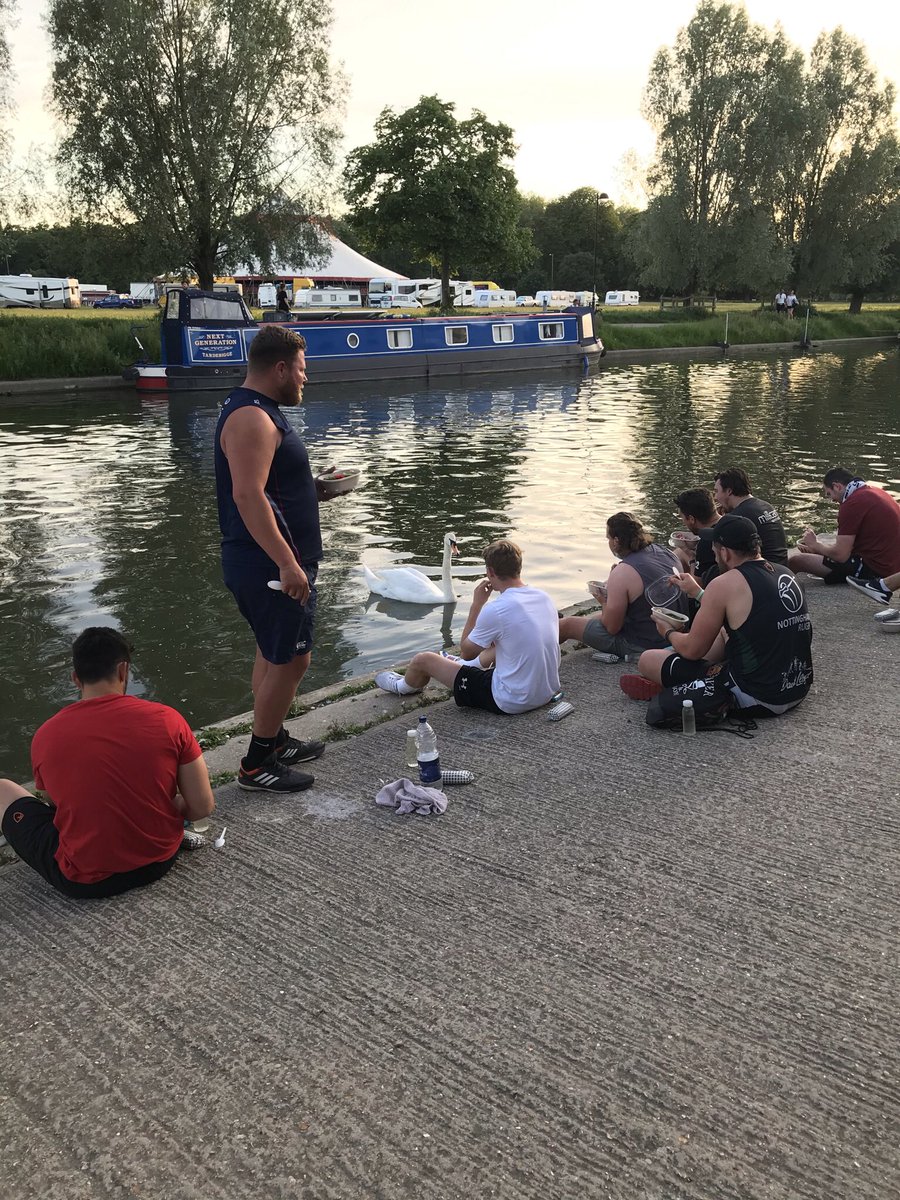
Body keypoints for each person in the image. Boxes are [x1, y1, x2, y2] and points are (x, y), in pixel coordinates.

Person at [0, 628, 215, 899]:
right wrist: (166, 804)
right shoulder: (168, 719)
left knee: (3, 790)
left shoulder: (46, 735)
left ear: (76, 679)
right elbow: (202, 807)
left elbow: (55, 804)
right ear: (123, 671)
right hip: (159, 860)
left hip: (86, 881)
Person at [215, 324, 331, 794]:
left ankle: (275, 738)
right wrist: (287, 564)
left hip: (269, 561)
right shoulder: (252, 419)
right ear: (280, 368)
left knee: (272, 650)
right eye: (302, 370)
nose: (305, 379)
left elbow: (265, 488)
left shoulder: (258, 411)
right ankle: (257, 762)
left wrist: (312, 490)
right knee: (292, 661)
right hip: (268, 566)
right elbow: (247, 496)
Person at [620, 515, 813, 726]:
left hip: (759, 696)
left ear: (725, 552)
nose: (713, 553)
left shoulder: (724, 583)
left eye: (714, 549)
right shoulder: (786, 573)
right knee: (724, 631)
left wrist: (667, 631)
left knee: (648, 659)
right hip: (797, 688)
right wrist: (700, 594)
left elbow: (693, 650)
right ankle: (680, 674)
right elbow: (747, 615)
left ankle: (678, 679)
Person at [374, 540, 560, 715]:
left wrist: (477, 605)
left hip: (511, 700)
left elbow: (467, 651)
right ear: (519, 567)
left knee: (423, 660)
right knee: (505, 641)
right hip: (546, 691)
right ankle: (465, 667)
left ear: (490, 572)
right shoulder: (543, 597)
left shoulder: (496, 609)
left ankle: (402, 687)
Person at [559, 512, 686, 662]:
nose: (608, 542)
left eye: (608, 538)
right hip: (674, 634)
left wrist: (604, 601)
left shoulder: (623, 572)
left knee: (567, 624)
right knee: (595, 618)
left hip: (643, 644)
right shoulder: (663, 551)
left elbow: (612, 627)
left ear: (616, 541)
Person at [789, 467, 900, 602]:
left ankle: (778, 594)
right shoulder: (874, 492)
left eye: (829, 494)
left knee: (796, 560)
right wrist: (817, 549)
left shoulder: (852, 503)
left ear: (837, 486)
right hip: (891, 565)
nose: (832, 500)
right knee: (816, 553)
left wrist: (816, 545)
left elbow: (841, 555)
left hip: (875, 569)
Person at [713, 467, 789, 566]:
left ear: (729, 491)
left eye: (716, 491)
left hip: (762, 571)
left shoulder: (739, 517)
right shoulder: (766, 505)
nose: (715, 497)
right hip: (782, 566)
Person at [673, 487, 719, 581]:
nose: (683, 523)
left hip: (718, 588)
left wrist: (692, 557)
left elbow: (697, 585)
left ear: (691, 519)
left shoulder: (706, 542)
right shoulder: (731, 520)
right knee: (679, 552)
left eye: (682, 518)